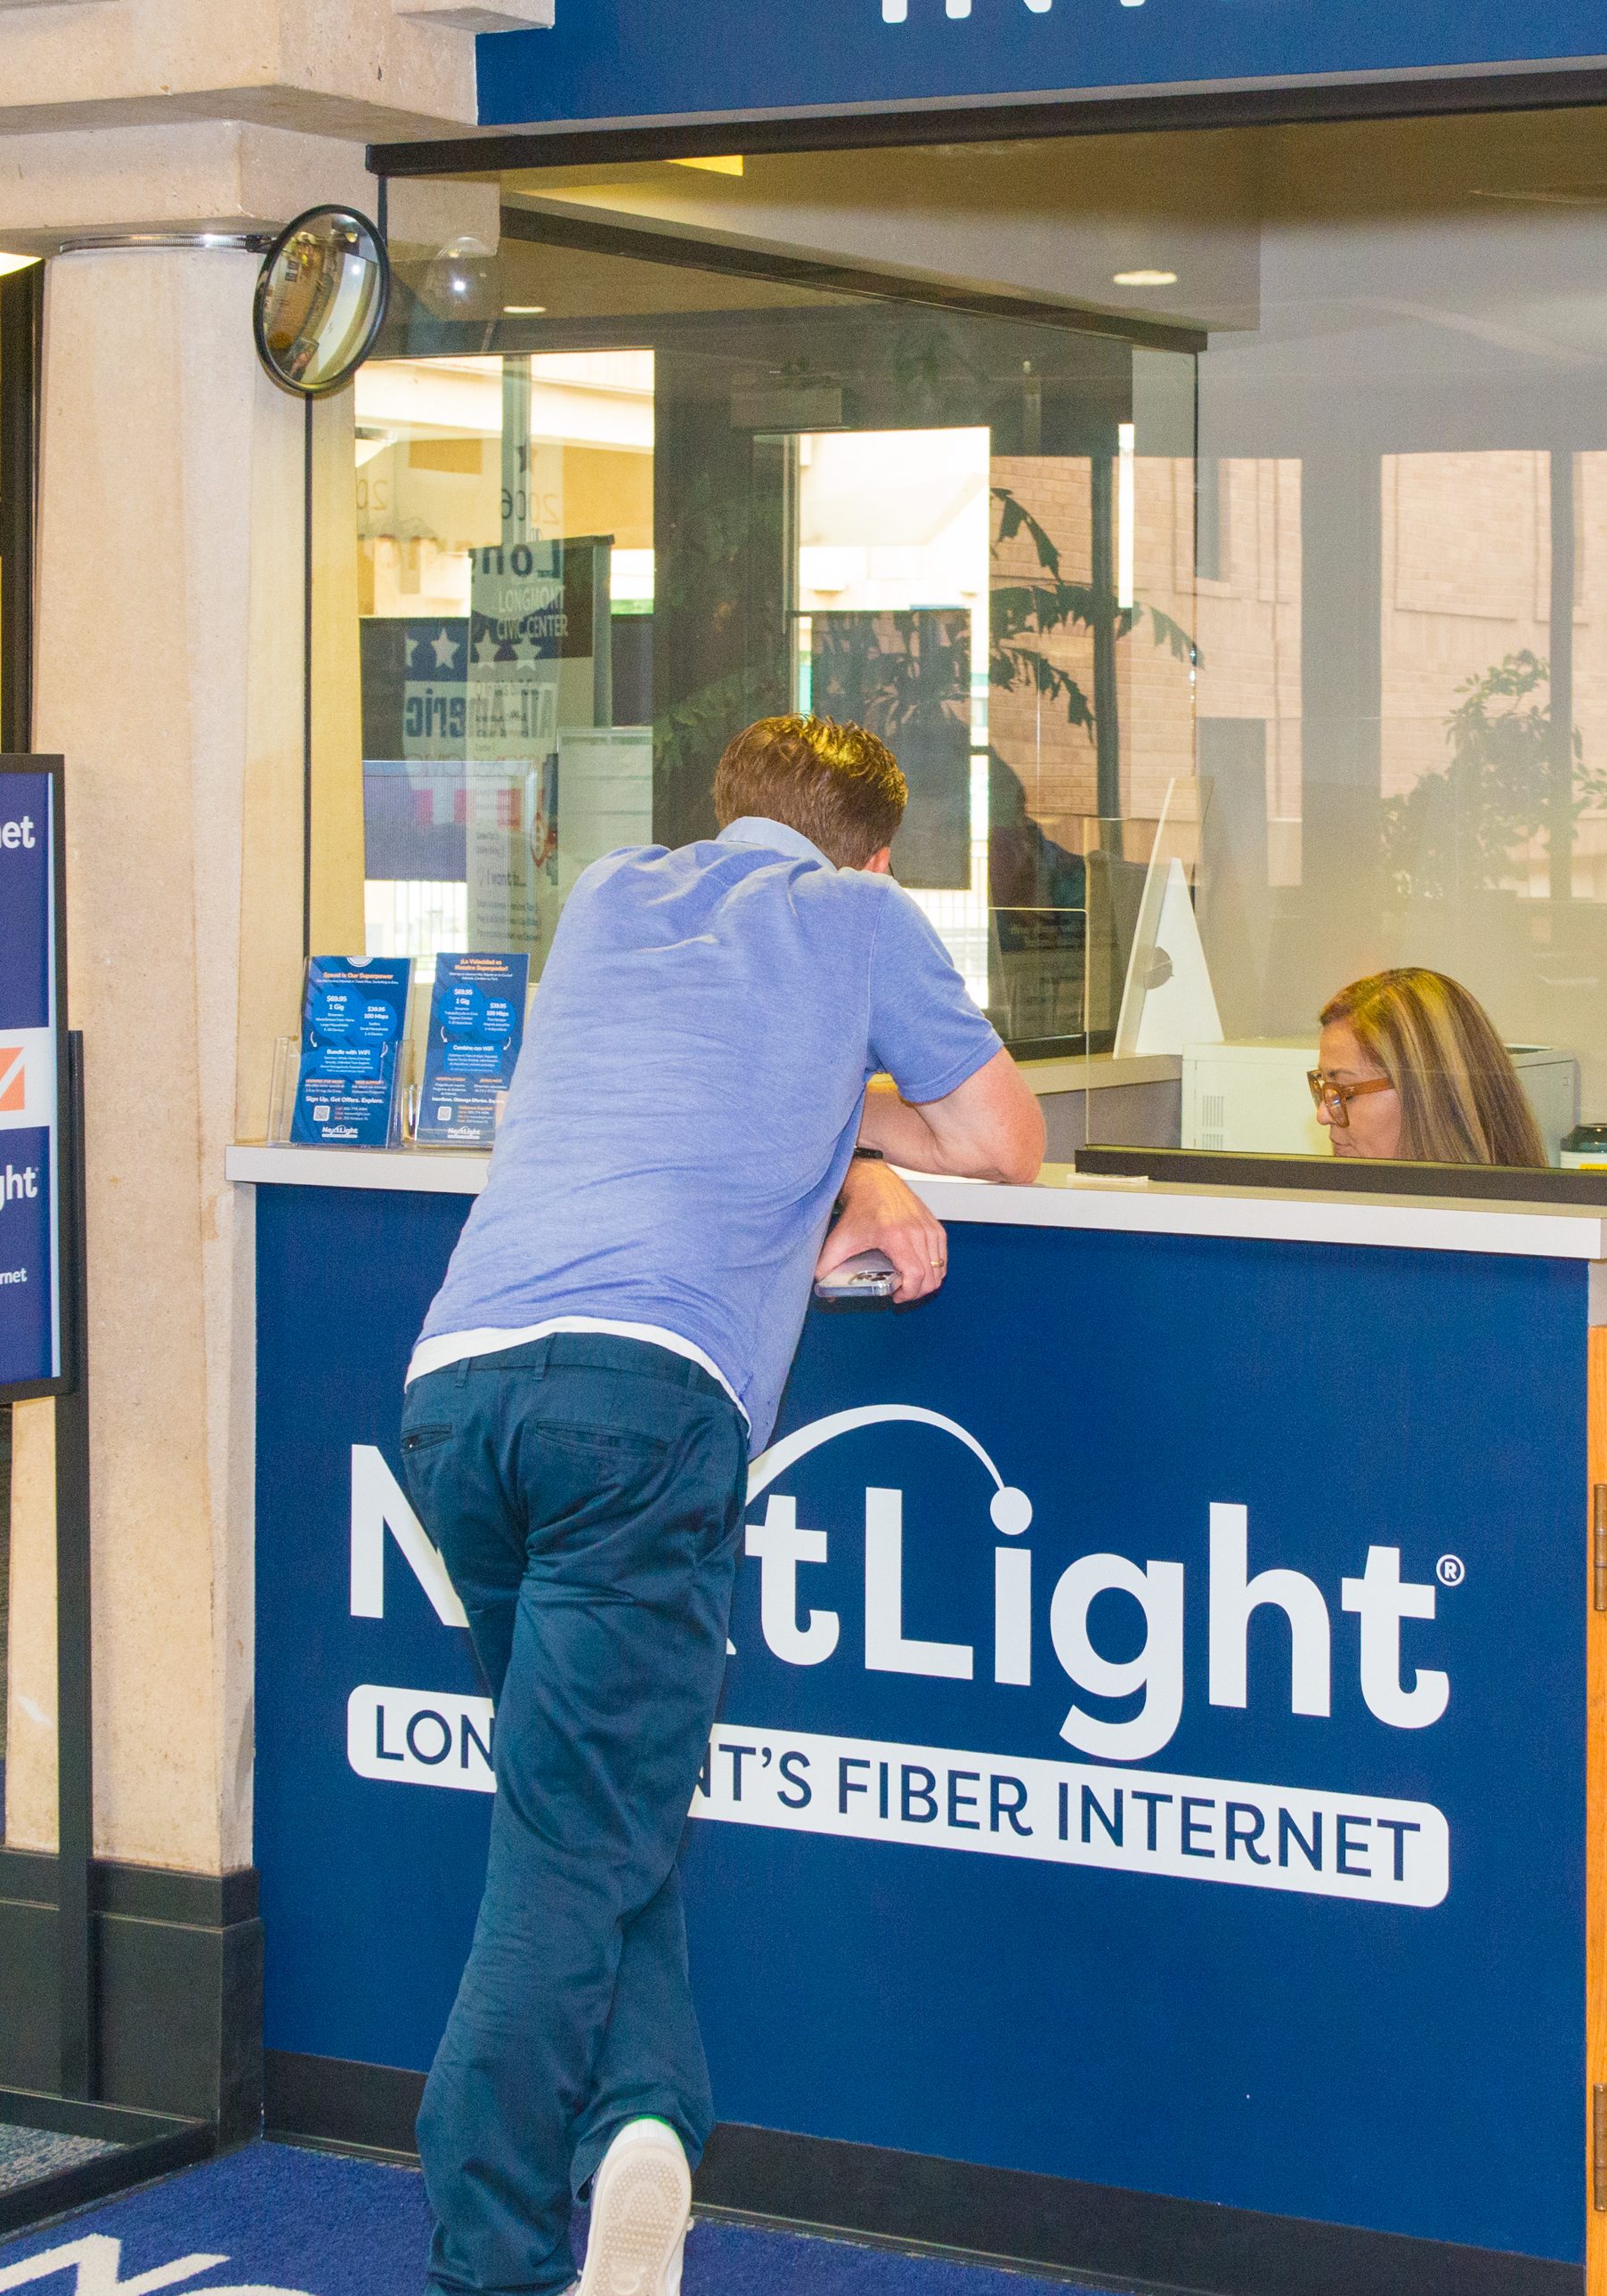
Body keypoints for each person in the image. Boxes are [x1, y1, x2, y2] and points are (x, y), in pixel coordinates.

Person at [394, 715, 1046, 2296]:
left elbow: (655, 1095)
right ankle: (488, 2259)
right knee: (569, 1849)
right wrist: (866, 1120)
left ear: (722, 814)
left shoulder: (614, 894)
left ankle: (642, 2130)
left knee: (596, 1810)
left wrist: (831, 1134)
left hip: (456, 1395)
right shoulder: (859, 918)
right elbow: (1007, 1141)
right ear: (878, 848)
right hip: (643, 1412)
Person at [1310, 965, 1550, 1166]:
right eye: (1323, 1087)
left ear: (1429, 1097)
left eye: (1346, 1093)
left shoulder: (1509, 1220)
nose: (1323, 1114)